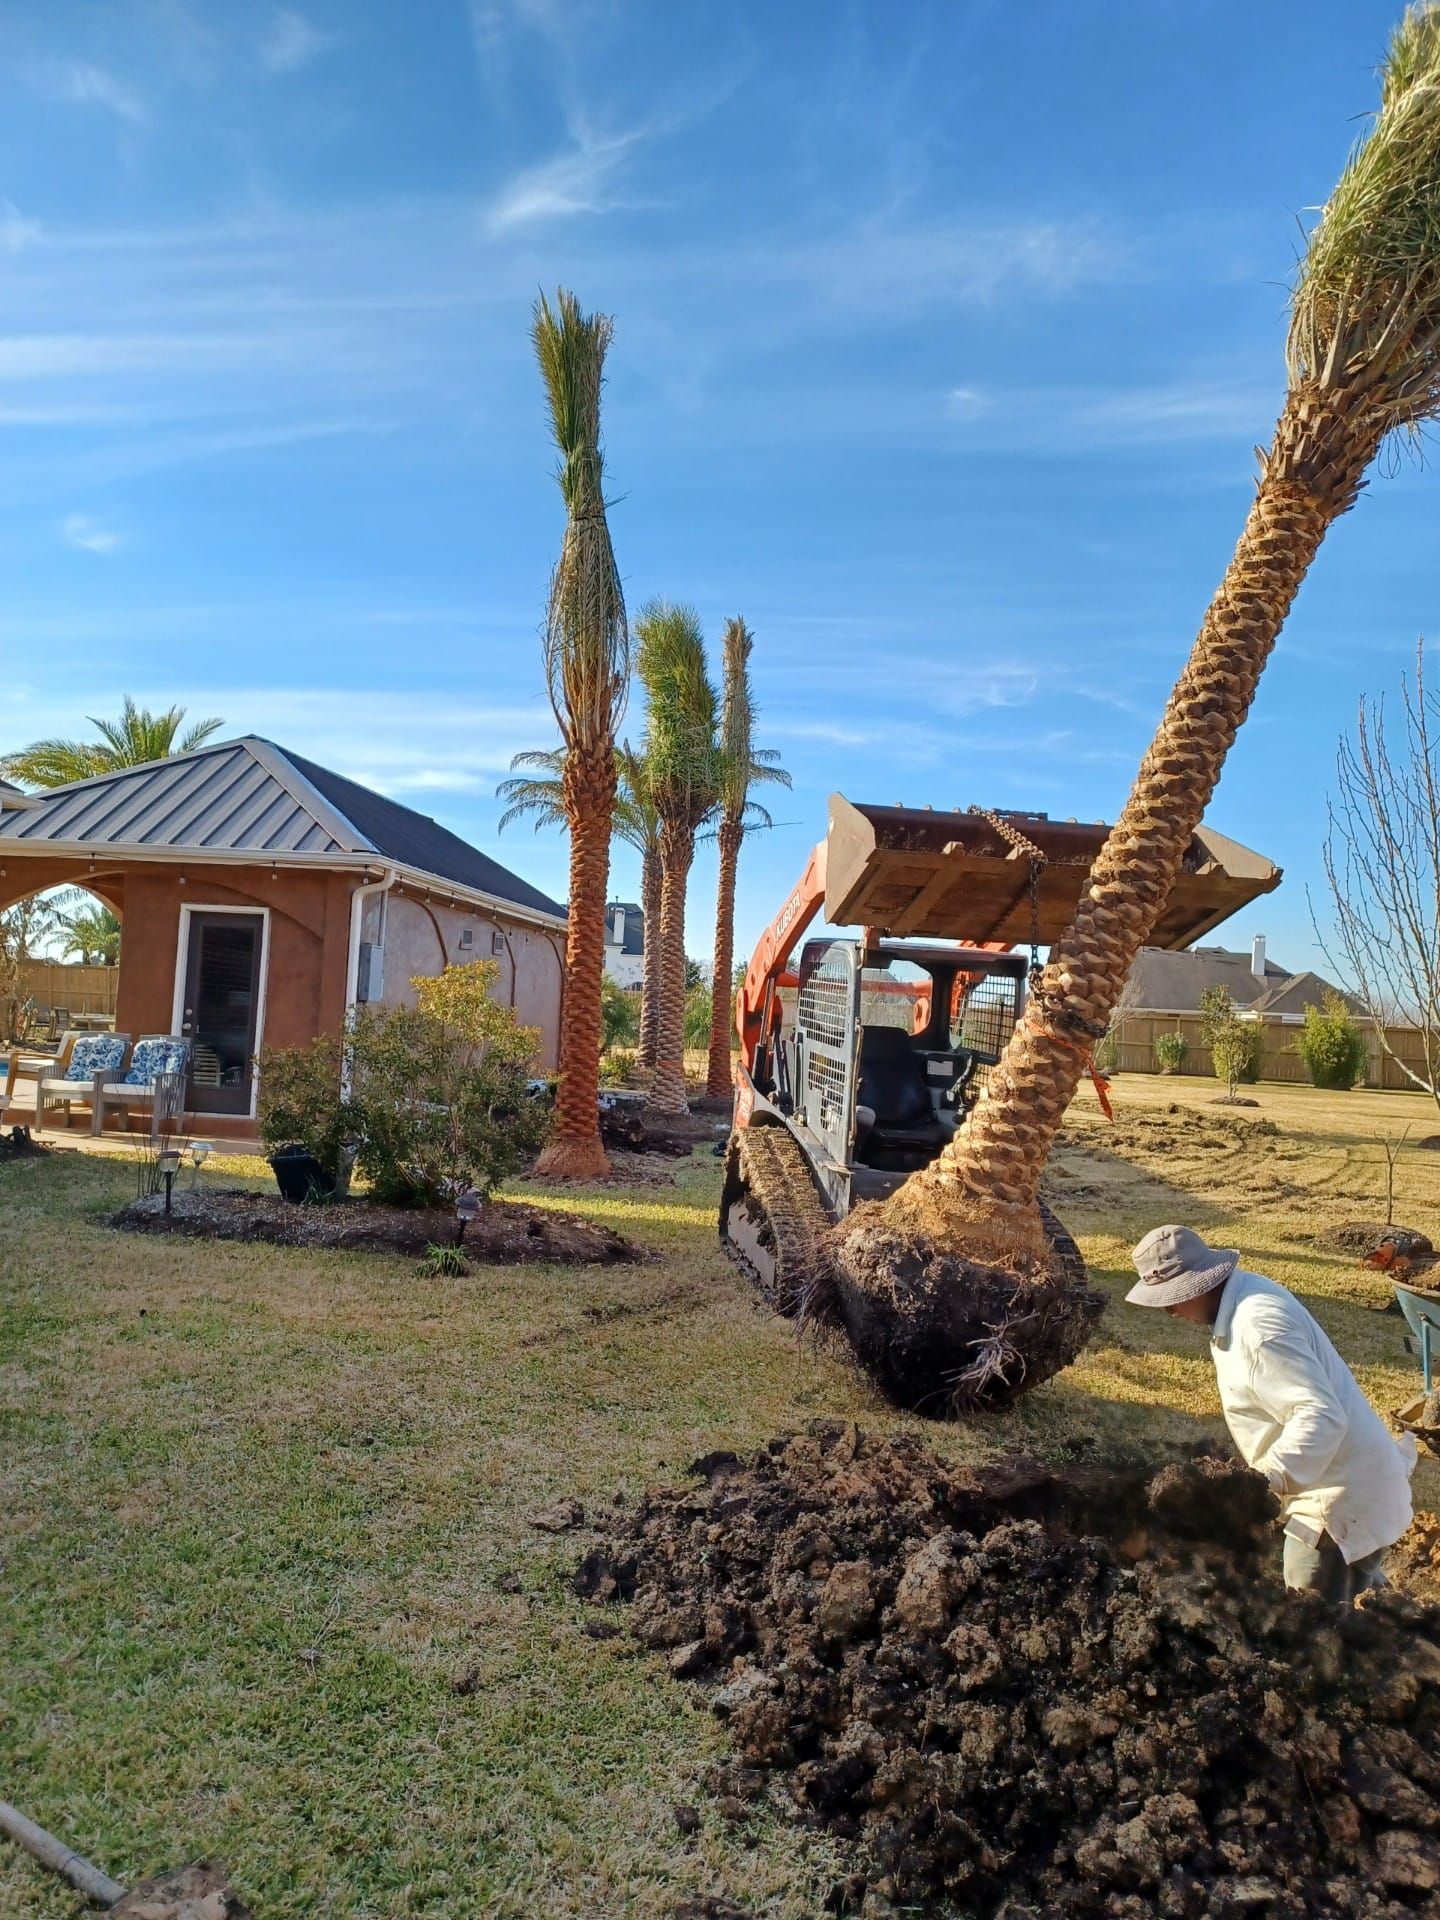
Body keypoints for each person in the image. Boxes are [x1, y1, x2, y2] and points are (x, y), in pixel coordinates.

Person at [1128, 1223, 1416, 1604]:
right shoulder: (1243, 1296)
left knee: (1313, 1634)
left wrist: (1263, 1482)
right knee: (1374, 1617)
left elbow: (1321, 1415)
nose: (1169, 1311)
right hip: (1350, 1484)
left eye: (1172, 1298)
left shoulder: (1259, 1327)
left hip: (1335, 1503)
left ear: (1199, 1283)